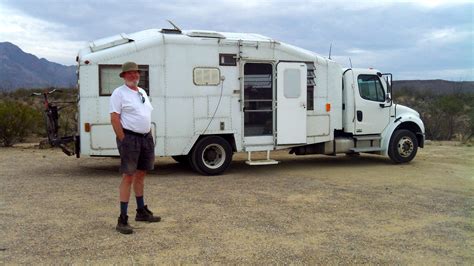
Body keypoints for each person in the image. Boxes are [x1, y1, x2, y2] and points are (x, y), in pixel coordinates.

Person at [109, 61, 160, 234]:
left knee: (141, 174)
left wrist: (149, 134)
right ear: (124, 76)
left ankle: (141, 211)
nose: (134, 75)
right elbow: (115, 118)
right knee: (128, 177)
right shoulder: (119, 93)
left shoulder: (142, 92)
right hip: (129, 138)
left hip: (145, 138)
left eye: (136, 73)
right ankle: (122, 219)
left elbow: (145, 114)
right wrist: (123, 139)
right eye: (130, 73)